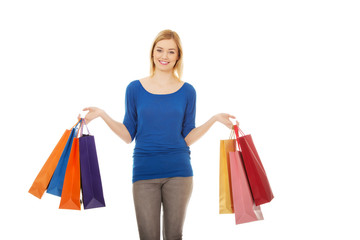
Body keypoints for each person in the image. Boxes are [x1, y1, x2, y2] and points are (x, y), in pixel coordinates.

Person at [79, 29, 238, 240]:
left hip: (179, 173)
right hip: (144, 174)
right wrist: (102, 115)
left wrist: (214, 119)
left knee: (174, 236)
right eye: (160, 50)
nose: (164, 56)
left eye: (171, 52)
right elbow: (128, 135)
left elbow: (188, 137)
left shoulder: (188, 91)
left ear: (178, 56)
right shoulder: (134, 89)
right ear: (152, 53)